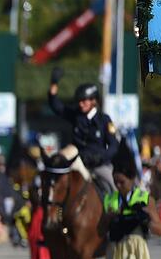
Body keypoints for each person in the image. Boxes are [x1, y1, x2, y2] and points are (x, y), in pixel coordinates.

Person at [48, 67, 119, 195]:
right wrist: (53, 84)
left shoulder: (104, 120)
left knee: (114, 186)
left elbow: (114, 145)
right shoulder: (76, 115)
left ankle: (117, 213)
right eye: (79, 101)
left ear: (93, 100)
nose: (80, 104)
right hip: (78, 161)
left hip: (99, 164)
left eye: (84, 101)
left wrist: (102, 157)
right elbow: (56, 106)